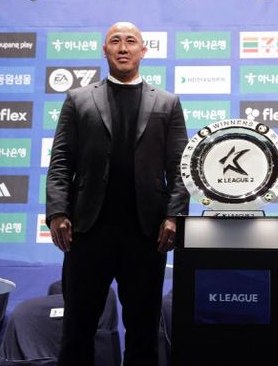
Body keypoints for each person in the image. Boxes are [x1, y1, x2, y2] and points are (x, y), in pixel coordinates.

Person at [46, 21, 189, 366]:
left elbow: (180, 167)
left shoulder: (167, 103)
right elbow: (61, 161)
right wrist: (57, 212)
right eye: (115, 41)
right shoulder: (78, 99)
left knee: (143, 331)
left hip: (146, 234)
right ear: (105, 49)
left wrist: (174, 217)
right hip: (87, 231)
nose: (123, 47)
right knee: (77, 329)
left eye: (130, 41)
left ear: (143, 50)